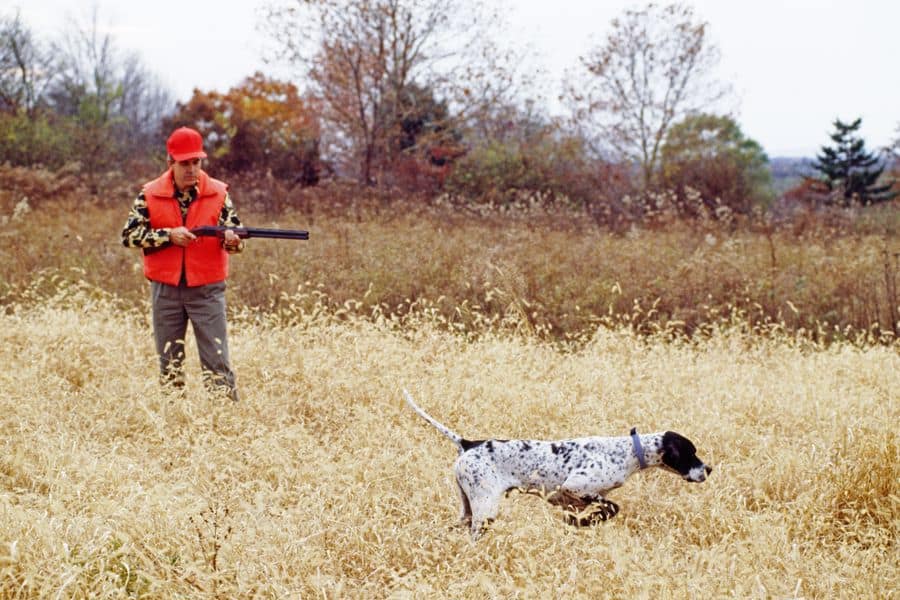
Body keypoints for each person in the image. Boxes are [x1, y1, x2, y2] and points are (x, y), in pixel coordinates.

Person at [122, 126, 244, 401]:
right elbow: (128, 236)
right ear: (170, 163)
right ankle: (175, 425)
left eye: (196, 162)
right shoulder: (149, 194)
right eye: (184, 163)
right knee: (169, 364)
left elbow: (237, 238)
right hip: (166, 291)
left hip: (207, 291)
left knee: (217, 362)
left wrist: (232, 240)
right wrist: (168, 236)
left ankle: (229, 427)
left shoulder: (219, 193)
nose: (191, 169)